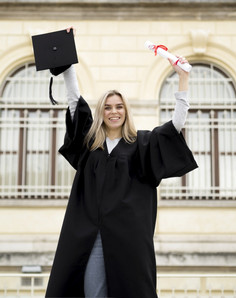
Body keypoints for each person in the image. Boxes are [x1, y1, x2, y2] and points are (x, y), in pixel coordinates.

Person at [45, 28, 198, 298]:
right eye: (107, 107)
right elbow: (73, 103)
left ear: (125, 111)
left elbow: (176, 125)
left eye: (118, 107)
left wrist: (182, 80)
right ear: (101, 112)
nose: (113, 111)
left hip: (128, 240)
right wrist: (67, 57)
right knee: (92, 292)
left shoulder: (142, 144)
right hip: (91, 237)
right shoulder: (90, 146)